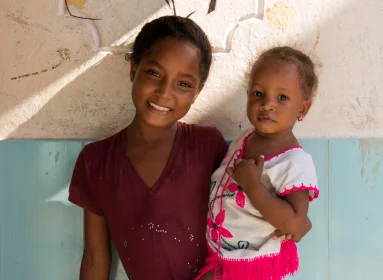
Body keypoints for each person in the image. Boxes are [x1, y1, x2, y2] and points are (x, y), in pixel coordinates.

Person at [69, 15, 311, 280]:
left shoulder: (207, 146)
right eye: (153, 73)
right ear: (133, 69)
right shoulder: (95, 162)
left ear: (198, 91)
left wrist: (296, 221)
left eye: (183, 84)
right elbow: (95, 256)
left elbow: (246, 206)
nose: (165, 92)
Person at [196, 46, 320, 280]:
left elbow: (295, 224)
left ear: (303, 108)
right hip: (222, 253)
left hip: (251, 265)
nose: (267, 104)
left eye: (282, 97)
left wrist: (252, 185)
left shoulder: (295, 162)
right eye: (258, 94)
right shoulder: (245, 138)